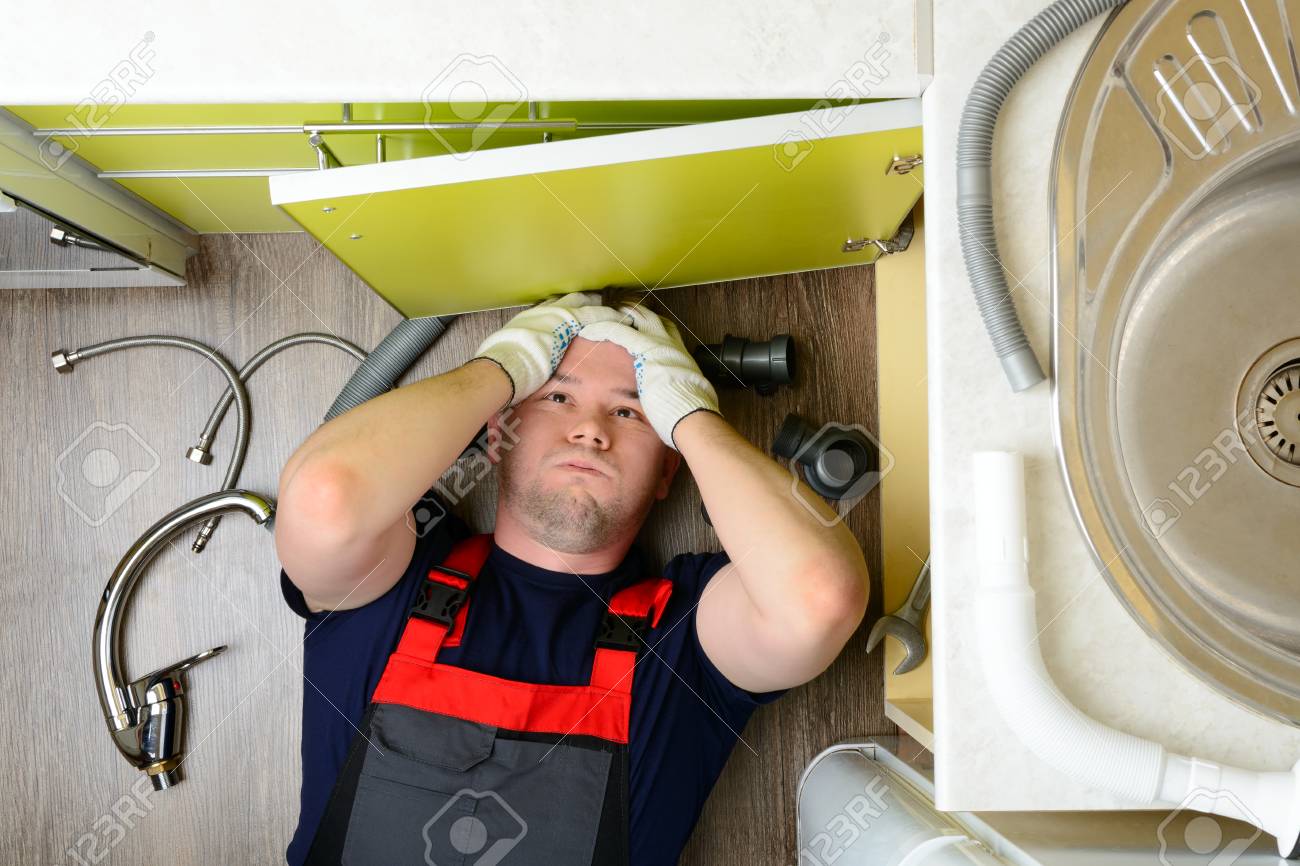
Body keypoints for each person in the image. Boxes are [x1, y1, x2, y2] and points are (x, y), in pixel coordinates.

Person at [273, 291, 869, 865]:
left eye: (630, 411)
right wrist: (504, 368)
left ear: (668, 470)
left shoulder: (682, 644)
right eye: (558, 397)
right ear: (498, 434)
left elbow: (816, 600)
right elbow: (326, 497)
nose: (590, 430)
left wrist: (690, 416)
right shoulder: (393, 579)